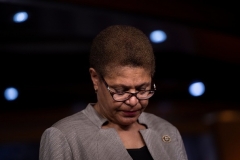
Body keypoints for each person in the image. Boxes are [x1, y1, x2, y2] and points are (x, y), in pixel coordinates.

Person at [39, 25, 188, 160]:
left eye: (143, 89)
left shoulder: (166, 130)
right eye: (121, 91)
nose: (133, 101)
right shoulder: (63, 136)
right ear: (95, 78)